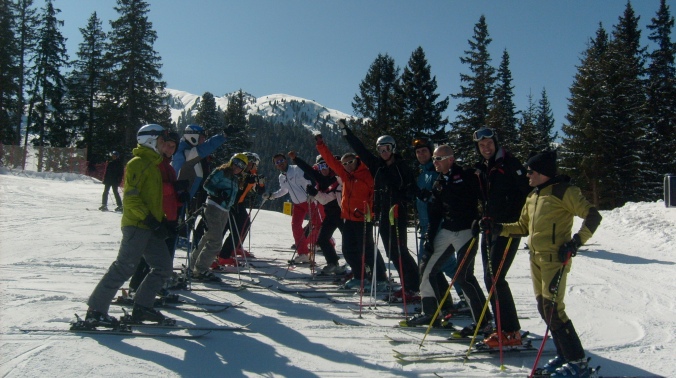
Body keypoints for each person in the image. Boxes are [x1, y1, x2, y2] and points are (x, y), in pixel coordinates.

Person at [496, 150, 602, 377]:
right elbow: (522, 228)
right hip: (536, 260)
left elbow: (593, 216)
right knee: (545, 310)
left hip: (555, 259)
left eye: (531, 171)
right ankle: (566, 355)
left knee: (554, 310)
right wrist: (498, 228)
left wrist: (575, 242)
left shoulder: (564, 191)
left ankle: (578, 362)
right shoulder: (533, 196)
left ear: (543, 172)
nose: (527, 174)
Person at [84, 124, 174, 327]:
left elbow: (152, 199)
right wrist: (150, 220)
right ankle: (96, 310)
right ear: (150, 140)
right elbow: (131, 200)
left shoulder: (153, 165)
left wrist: (163, 221)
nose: (164, 144)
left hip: (150, 226)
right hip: (136, 225)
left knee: (163, 267)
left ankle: (142, 307)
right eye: (161, 140)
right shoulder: (137, 163)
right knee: (124, 267)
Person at [401, 145, 483, 327]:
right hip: (447, 229)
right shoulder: (439, 182)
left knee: (464, 276)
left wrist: (482, 218)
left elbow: (482, 197)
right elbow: (435, 211)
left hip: (466, 231)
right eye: (435, 159)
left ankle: (483, 321)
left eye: (438, 159)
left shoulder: (466, 176)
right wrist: (430, 235)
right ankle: (430, 312)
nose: (435, 162)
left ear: (450, 159)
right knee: (426, 267)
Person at [338, 120, 420, 296]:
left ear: (393, 149)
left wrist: (404, 200)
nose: (384, 153)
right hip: (383, 214)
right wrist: (347, 132)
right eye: (381, 150)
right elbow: (361, 150)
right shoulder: (377, 166)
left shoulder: (402, 167)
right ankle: (408, 285)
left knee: (400, 251)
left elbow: (411, 189)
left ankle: (413, 285)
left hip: (397, 214)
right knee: (391, 252)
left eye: (387, 149)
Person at [473, 127, 531, 347]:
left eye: (489, 143)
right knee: (490, 277)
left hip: (507, 228)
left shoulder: (510, 165)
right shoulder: (486, 168)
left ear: (496, 143)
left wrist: (508, 221)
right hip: (490, 227)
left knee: (496, 277)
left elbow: (525, 196)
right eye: (481, 145)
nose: (486, 148)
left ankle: (510, 331)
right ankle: (504, 328)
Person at [315, 134, 388, 290]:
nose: (348, 165)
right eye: (345, 163)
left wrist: (371, 212)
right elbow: (330, 160)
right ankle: (359, 276)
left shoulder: (368, 175)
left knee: (367, 250)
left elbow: (374, 196)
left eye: (350, 162)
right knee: (348, 250)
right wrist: (321, 145)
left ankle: (381, 278)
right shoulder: (344, 175)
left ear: (356, 161)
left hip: (363, 218)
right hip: (347, 218)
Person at [413, 137, 465, 308]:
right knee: (437, 264)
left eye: (424, 151)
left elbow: (440, 200)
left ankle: (460, 297)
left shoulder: (436, 173)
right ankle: (445, 298)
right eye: (418, 152)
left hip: (438, 227)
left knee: (443, 264)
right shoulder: (423, 174)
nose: (421, 154)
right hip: (427, 226)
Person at [128, 131, 181, 296]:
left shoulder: (169, 167)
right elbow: (154, 190)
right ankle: (136, 288)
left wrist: (180, 196)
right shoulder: (156, 164)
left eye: (174, 147)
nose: (170, 149)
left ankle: (153, 287)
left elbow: (171, 194)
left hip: (170, 216)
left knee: (164, 256)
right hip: (157, 216)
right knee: (151, 257)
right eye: (167, 145)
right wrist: (174, 189)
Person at [189, 153, 247, 281]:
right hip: (213, 207)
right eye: (236, 163)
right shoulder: (221, 172)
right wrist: (218, 193)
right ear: (231, 161)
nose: (238, 167)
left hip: (224, 210)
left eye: (241, 165)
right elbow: (207, 185)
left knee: (208, 237)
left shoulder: (236, 179)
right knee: (215, 242)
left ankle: (192, 265)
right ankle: (200, 269)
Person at [288, 151, 345, 275]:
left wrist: (315, 194)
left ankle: (363, 266)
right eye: (320, 167)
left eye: (326, 166)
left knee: (350, 242)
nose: (323, 169)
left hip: (343, 215)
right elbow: (308, 169)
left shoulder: (337, 179)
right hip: (331, 215)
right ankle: (333, 263)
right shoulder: (320, 178)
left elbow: (330, 197)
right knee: (322, 239)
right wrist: (295, 159)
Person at [262, 153, 317, 264]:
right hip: (297, 204)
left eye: (281, 160)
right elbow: (284, 190)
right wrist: (272, 195)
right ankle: (303, 254)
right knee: (295, 226)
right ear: (275, 165)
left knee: (317, 224)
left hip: (309, 201)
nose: (280, 163)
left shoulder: (297, 169)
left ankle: (326, 244)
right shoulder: (282, 177)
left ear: (286, 160)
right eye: (277, 162)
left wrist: (313, 192)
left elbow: (312, 179)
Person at [214, 152, 265, 267]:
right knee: (229, 227)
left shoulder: (252, 174)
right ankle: (223, 254)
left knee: (242, 225)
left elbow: (259, 191)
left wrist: (260, 184)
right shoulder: (239, 173)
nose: (251, 165)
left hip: (238, 204)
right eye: (250, 163)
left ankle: (230, 249)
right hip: (231, 203)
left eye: (253, 164)